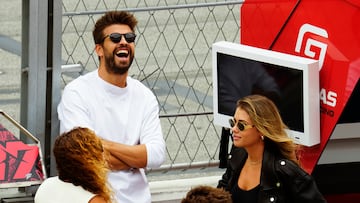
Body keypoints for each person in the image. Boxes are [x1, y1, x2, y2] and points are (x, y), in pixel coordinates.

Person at [57, 11, 166, 203]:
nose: (123, 41)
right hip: (96, 199)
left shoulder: (144, 96)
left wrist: (101, 143)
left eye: (129, 37)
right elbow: (82, 156)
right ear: (99, 49)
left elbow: (156, 155)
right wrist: (135, 159)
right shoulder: (77, 92)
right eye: (115, 38)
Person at [217, 95, 326, 203]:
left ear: (261, 130)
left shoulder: (284, 170)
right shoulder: (237, 155)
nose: (234, 129)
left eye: (241, 125)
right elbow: (221, 193)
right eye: (233, 122)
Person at [34, 127, 114, 203]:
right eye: (100, 151)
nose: (104, 157)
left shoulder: (45, 186)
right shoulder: (92, 199)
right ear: (90, 162)